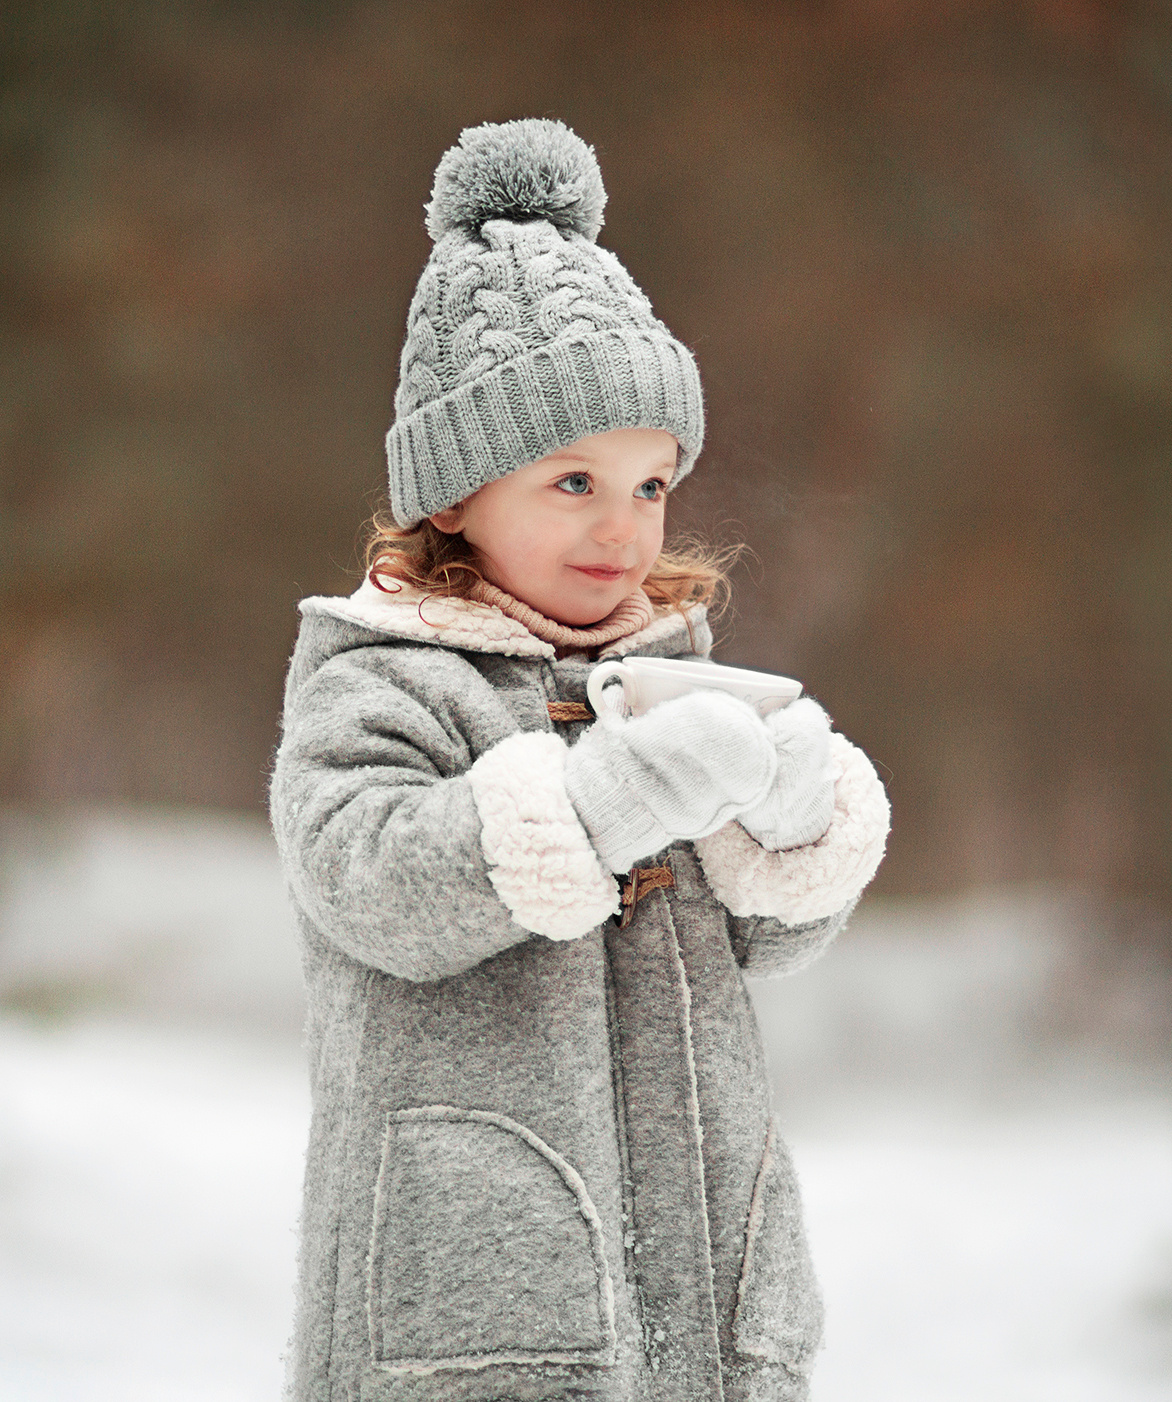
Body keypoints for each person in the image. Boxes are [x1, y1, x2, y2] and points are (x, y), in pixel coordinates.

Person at [269, 118, 889, 1402]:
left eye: (652, 485)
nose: (623, 527)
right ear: (452, 492)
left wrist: (779, 819)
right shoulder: (382, 676)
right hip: (476, 1288)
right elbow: (366, 876)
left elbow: (753, 948)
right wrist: (602, 797)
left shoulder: (659, 675)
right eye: (572, 482)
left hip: (699, 1272)